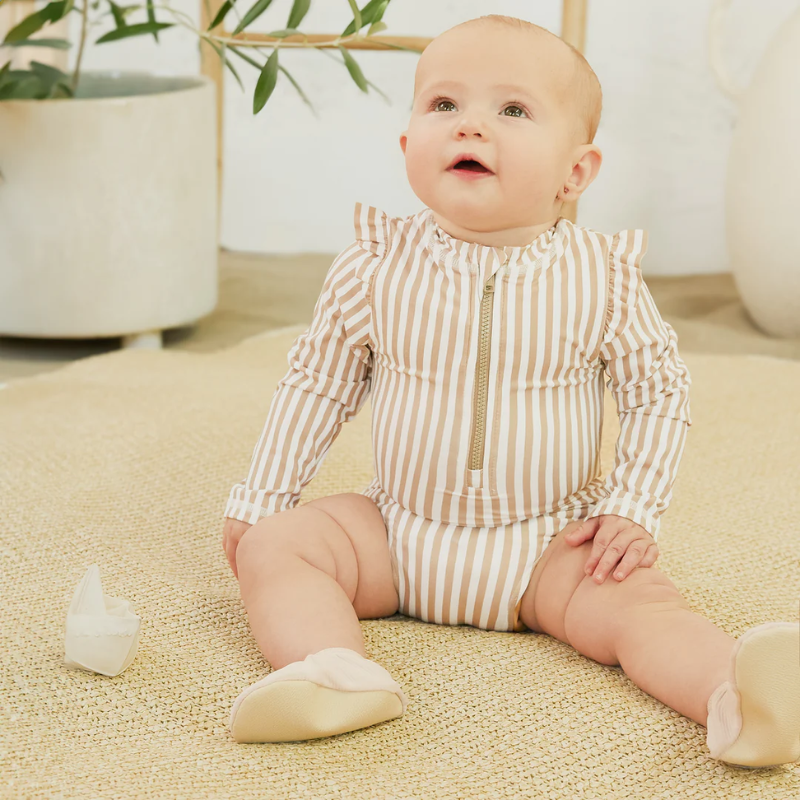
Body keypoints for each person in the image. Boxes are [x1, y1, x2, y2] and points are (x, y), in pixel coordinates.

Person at [220, 14, 800, 767]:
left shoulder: (604, 280)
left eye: (513, 110)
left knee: (642, 605)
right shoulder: (374, 267)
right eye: (444, 106)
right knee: (274, 548)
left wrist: (630, 506)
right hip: (396, 533)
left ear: (576, 173)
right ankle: (334, 670)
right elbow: (316, 384)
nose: (471, 129)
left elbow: (659, 392)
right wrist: (265, 493)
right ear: (407, 148)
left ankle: (736, 699)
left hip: (548, 547)